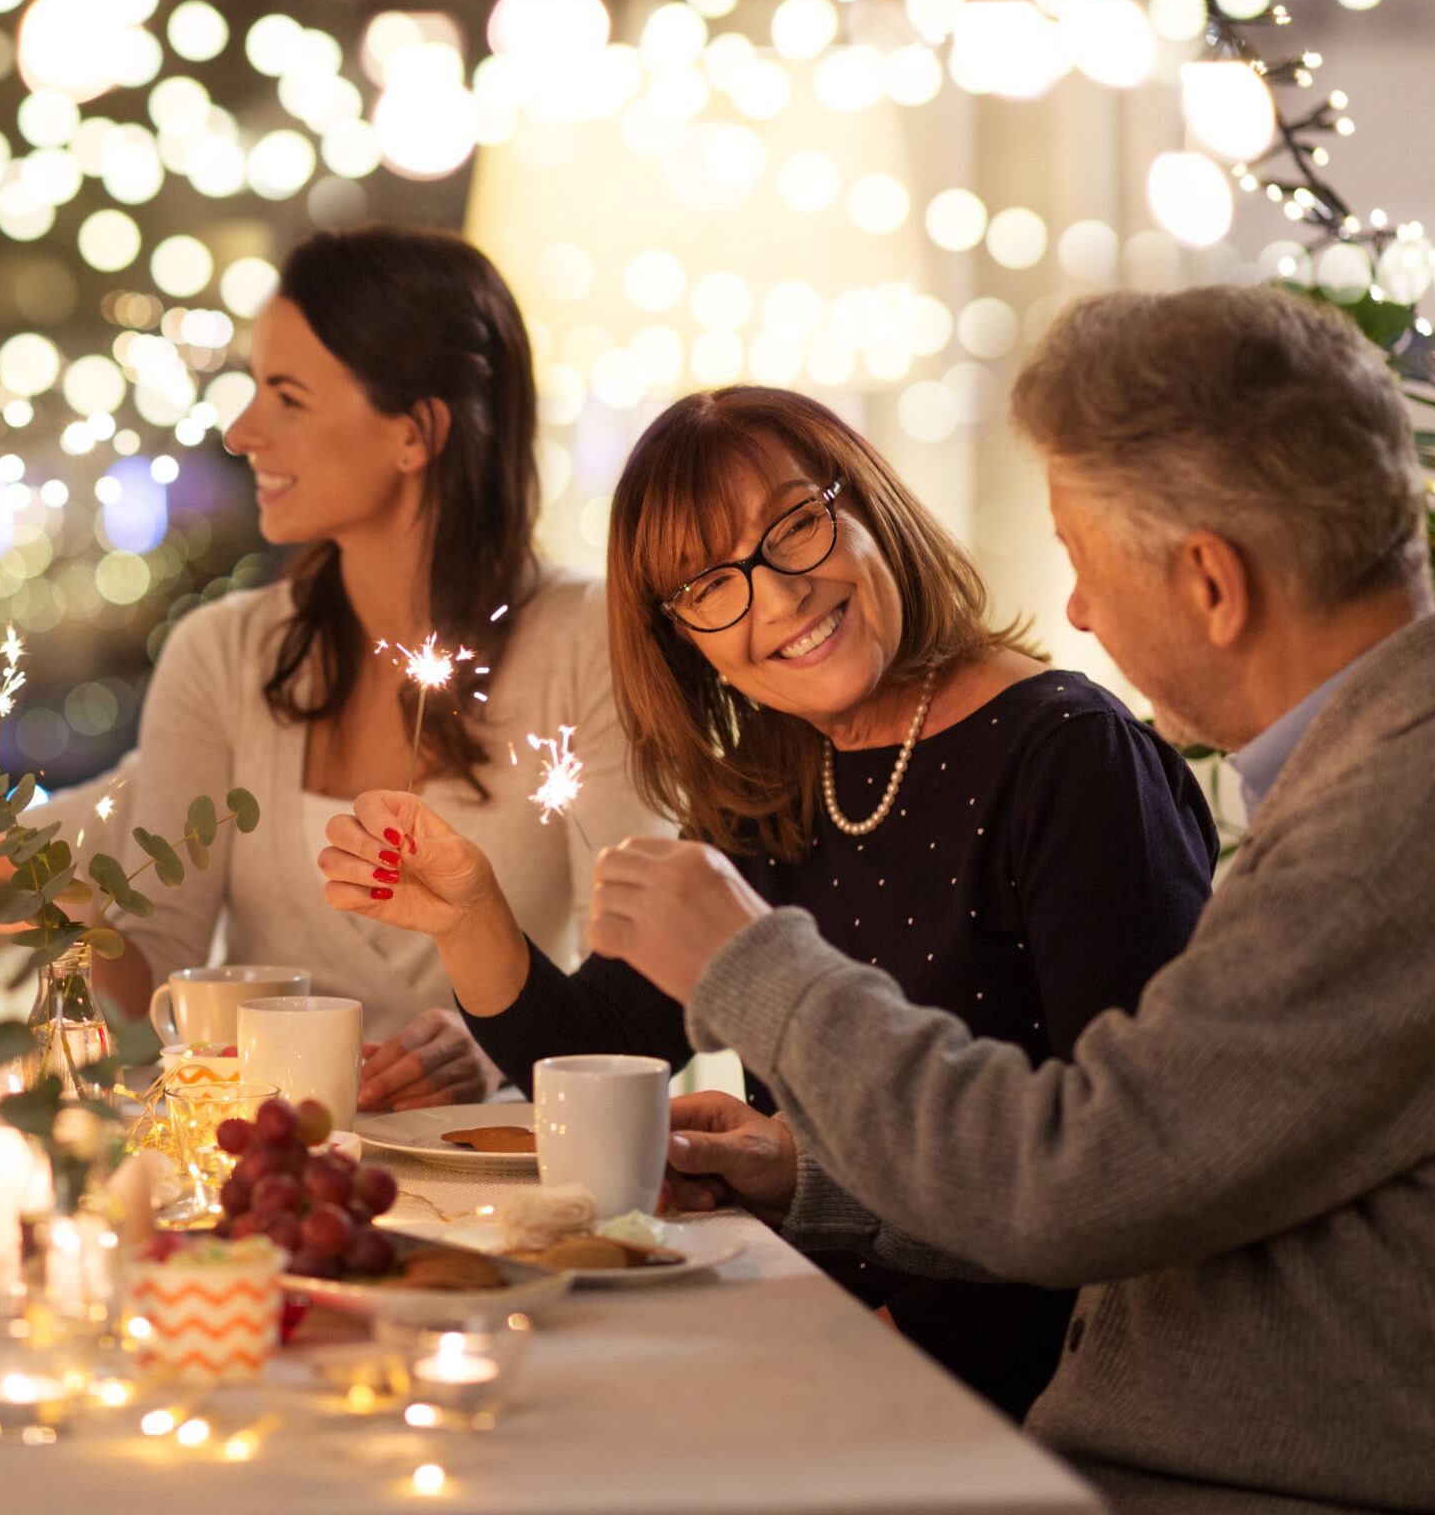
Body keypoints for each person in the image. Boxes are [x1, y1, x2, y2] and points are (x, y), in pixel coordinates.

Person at [599, 287, 1435, 1509]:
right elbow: (1175, 1170)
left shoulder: (1415, 823)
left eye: (1084, 563)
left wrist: (753, 971)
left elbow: (1083, 1187)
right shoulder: (1419, 766)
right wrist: (808, 1174)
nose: (1078, 615)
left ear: (1210, 583)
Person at [317, 385, 1216, 1414]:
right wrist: (469, 913)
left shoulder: (1070, 759)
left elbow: (1132, 1183)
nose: (776, 598)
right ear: (681, 639)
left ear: (868, 504)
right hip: (792, 1320)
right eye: (709, 586)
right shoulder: (774, 781)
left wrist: (877, 1348)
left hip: (1005, 1394)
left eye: (795, 526)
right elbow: (606, 1052)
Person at [0, 224, 669, 1110]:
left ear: (416, 432)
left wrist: (494, 1050)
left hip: (496, 1177)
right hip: (264, 1165)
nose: (241, 433)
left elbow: (635, 981)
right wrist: (67, 922)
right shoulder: (223, 656)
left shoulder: (588, 639)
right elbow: (159, 972)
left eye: (287, 397)